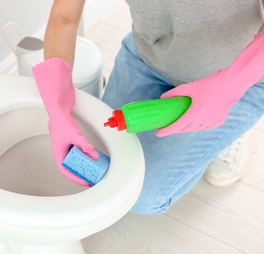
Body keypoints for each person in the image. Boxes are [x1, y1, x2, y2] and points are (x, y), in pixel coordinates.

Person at [32, 0, 264, 214]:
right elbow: (64, 15)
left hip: (237, 77)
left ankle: (229, 130)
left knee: (140, 194)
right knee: (104, 161)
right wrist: (57, 109)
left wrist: (231, 85)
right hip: (149, 58)